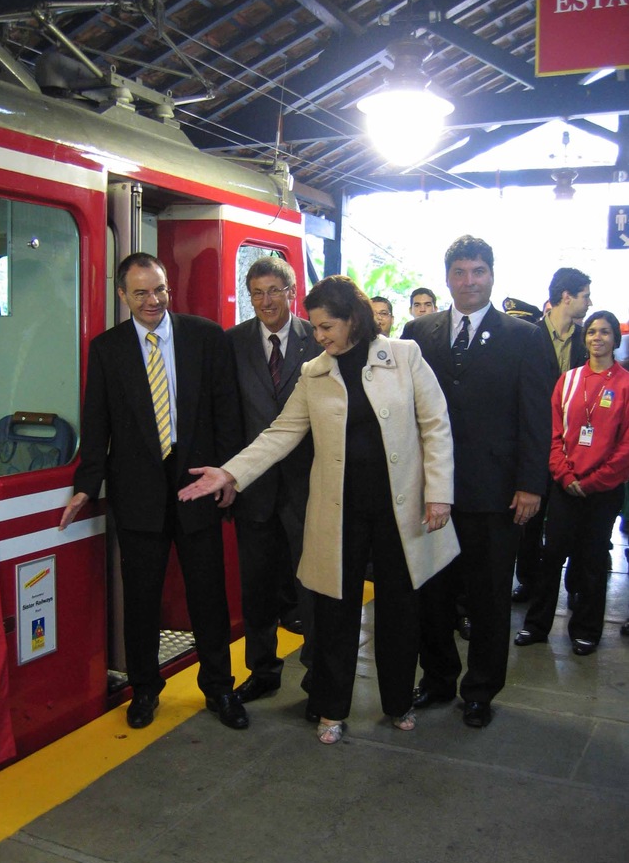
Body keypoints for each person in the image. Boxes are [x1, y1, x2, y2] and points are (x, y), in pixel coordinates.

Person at [179, 275, 459, 744]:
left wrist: (439, 493)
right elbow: (280, 434)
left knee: (399, 609)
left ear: (353, 319)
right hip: (340, 511)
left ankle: (397, 702)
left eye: (328, 326)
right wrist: (230, 473)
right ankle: (331, 707)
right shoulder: (315, 373)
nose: (320, 336)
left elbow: (435, 425)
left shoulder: (404, 356)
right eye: (316, 326)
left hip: (401, 508)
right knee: (333, 611)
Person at [59, 253, 249, 731]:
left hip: (199, 483)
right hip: (138, 493)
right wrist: (86, 486)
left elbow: (227, 411)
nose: (153, 300)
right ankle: (145, 690)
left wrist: (229, 474)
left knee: (208, 594)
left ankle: (220, 689)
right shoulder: (107, 349)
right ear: (122, 295)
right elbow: (97, 421)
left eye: (159, 289)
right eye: (141, 292)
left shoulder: (204, 337)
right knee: (141, 598)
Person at [401, 234, 551, 728]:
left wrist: (531, 484)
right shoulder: (418, 332)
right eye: (460, 272)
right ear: (447, 278)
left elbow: (536, 417)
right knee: (434, 593)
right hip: (432, 492)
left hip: (497, 493)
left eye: (478, 271)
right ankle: (439, 678)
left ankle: (480, 690)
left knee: (488, 598)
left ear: (492, 274)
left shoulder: (525, 337)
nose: (469, 281)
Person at [227, 256, 320, 704]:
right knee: (257, 586)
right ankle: (262, 670)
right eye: (257, 293)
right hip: (255, 489)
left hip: (309, 486)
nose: (266, 301)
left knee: (312, 585)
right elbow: (226, 417)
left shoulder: (318, 338)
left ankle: (316, 675)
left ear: (291, 292)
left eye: (274, 291)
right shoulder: (232, 344)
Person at [515, 311, 629, 656]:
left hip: (603, 490)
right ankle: (536, 625)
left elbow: (626, 445)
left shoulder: (625, 384)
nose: (597, 338)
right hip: (565, 485)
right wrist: (564, 475)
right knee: (551, 556)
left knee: (592, 560)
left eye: (605, 332)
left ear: (615, 339)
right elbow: (553, 433)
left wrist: (595, 481)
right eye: (592, 331)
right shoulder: (568, 381)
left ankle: (586, 630)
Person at [511, 267, 591, 604]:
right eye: (585, 295)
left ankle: (574, 586)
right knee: (528, 518)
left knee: (571, 520)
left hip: (573, 447)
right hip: (532, 441)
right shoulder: (527, 335)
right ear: (567, 296)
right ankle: (527, 581)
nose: (589, 302)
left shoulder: (587, 339)